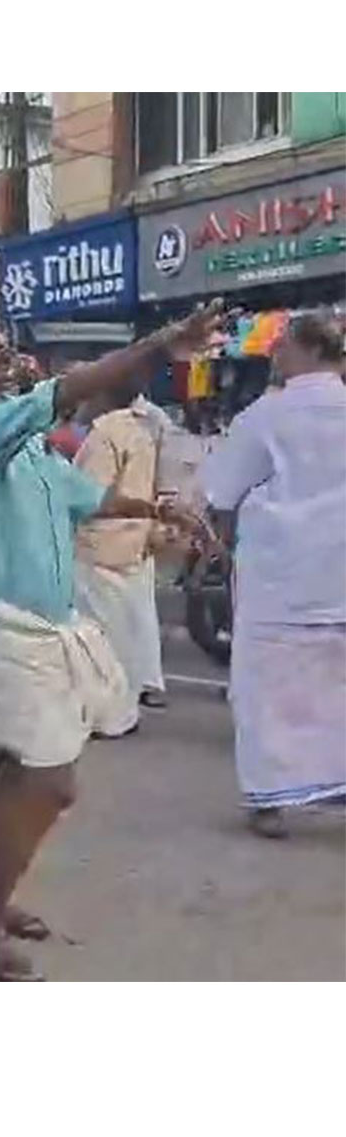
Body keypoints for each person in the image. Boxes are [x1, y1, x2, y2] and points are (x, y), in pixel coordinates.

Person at [0, 298, 219, 981]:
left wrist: (155, 509)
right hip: (11, 626)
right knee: (51, 783)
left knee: (16, 768)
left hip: (48, 624)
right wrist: (163, 341)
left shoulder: (19, 438)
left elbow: (81, 496)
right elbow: (65, 391)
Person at [200, 311, 346, 838]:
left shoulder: (267, 414)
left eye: (282, 344)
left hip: (280, 577)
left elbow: (221, 490)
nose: (274, 353)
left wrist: (214, 536)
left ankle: (269, 800)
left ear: (309, 350)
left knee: (264, 689)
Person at [73, 382, 170, 735]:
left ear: (103, 396)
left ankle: (111, 717)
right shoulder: (140, 432)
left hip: (102, 546)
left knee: (102, 641)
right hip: (133, 543)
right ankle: (123, 712)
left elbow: (90, 496)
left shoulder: (105, 434)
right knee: (126, 634)